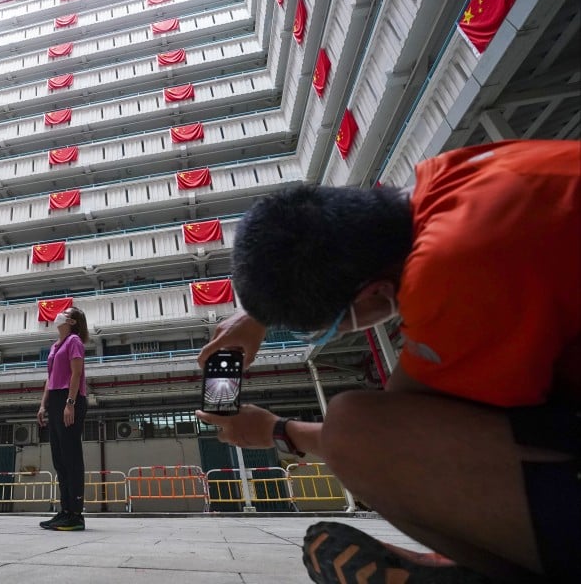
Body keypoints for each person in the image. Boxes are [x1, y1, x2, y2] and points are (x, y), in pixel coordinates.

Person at [195, 140, 580, 583]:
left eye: (330, 325)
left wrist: (280, 432)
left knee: (356, 431)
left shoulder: (452, 266)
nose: (338, 331)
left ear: (374, 295)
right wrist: (262, 311)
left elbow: (399, 440)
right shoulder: (452, 177)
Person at [37, 305, 89, 531]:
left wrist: (71, 403)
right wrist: (43, 404)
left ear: (73, 322)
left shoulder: (74, 341)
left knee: (71, 457)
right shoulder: (55, 346)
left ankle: (76, 514)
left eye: (65, 313)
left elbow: (76, 373)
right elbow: (49, 378)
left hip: (71, 398)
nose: (60, 314)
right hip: (56, 399)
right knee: (59, 458)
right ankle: (64, 510)